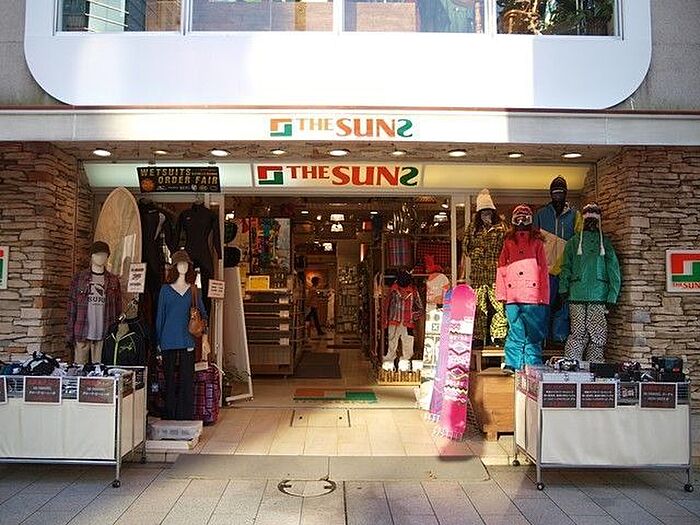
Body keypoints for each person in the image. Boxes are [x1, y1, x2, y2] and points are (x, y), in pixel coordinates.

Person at [559, 203, 621, 362]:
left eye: (594, 220)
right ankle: (573, 366)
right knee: (580, 332)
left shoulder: (604, 243)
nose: (591, 223)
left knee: (595, 334)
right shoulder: (574, 243)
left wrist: (612, 296)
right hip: (581, 294)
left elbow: (613, 270)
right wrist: (563, 288)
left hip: (596, 294)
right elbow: (566, 267)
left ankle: (592, 366)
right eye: (588, 220)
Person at [496, 205, 550, 373]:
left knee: (533, 333)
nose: (521, 222)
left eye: (524, 219)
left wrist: (544, 296)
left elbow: (543, 270)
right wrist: (501, 293)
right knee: (515, 330)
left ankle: (532, 365)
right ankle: (513, 363)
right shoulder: (508, 242)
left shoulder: (537, 242)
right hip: (513, 295)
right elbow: (501, 268)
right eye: (517, 219)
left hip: (533, 295)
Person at [156, 249, 207, 421]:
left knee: (187, 380)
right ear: (174, 267)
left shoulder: (194, 290)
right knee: (169, 380)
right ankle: (170, 414)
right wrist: (158, 341)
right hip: (167, 340)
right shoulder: (165, 290)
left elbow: (203, 315)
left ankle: (185, 415)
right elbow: (160, 317)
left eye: (186, 264)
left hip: (187, 340)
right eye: (180, 264)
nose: (183, 267)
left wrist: (204, 337)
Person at [533, 176, 582, 344]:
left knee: (563, 306)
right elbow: (534, 241)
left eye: (561, 192)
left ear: (566, 193)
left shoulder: (575, 215)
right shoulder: (541, 214)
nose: (558, 196)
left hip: (566, 269)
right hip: (545, 270)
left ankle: (560, 338)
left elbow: (579, 241)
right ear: (551, 194)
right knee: (544, 306)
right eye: (555, 192)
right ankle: (543, 339)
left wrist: (575, 266)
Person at [463, 188, 508, 347]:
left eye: (488, 211)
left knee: (499, 306)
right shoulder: (473, 228)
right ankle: (478, 337)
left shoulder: (501, 228)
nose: (486, 214)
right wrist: (477, 251)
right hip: (478, 275)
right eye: (483, 212)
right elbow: (465, 248)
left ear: (493, 211)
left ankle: (499, 335)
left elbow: (506, 249)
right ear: (479, 213)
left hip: (496, 274)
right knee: (478, 307)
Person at [66, 241, 122, 364]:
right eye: (97, 254)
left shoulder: (113, 280)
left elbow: (118, 308)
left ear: (108, 257)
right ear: (91, 256)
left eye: (104, 254)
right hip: (82, 331)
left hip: (104, 332)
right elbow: (72, 308)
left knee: (101, 370)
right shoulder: (79, 278)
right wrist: (70, 334)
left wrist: (115, 330)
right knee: (79, 369)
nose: (100, 257)